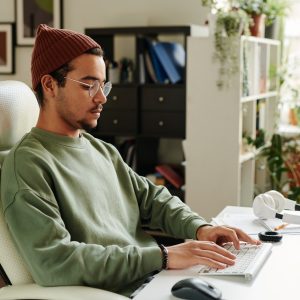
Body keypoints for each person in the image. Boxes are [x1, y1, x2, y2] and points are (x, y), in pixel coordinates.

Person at [1, 24, 259, 297]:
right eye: (89, 85)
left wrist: (201, 228)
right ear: (50, 85)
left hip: (153, 278)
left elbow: (153, 200)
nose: (102, 98)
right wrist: (163, 256)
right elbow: (54, 262)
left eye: (104, 85)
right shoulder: (28, 165)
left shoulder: (101, 150)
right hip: (121, 292)